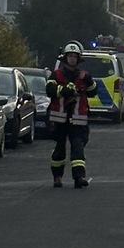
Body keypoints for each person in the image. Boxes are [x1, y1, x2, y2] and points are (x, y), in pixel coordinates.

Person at [46, 41, 98, 188]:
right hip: (59, 119)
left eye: (75, 56)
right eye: (70, 56)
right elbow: (49, 89)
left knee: (78, 148)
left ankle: (79, 177)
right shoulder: (56, 74)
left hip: (78, 119)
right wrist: (63, 91)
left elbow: (93, 92)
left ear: (78, 59)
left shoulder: (83, 76)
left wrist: (89, 80)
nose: (72, 59)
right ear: (65, 58)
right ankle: (57, 177)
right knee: (59, 150)